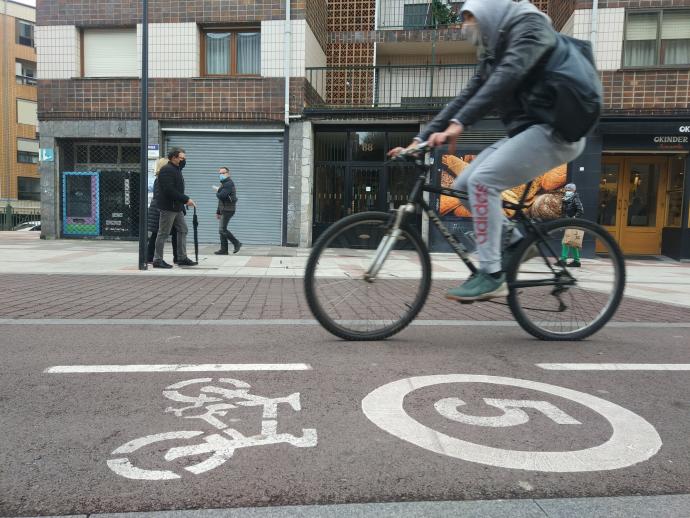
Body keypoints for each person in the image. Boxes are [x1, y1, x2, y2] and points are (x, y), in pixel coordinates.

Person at [389, 0, 586, 301]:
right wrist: (421, 140)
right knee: (465, 182)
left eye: (471, 19)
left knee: (482, 183)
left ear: (490, 15)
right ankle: (516, 241)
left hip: (558, 129)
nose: (466, 27)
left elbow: (506, 78)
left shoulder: (530, 29)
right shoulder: (493, 53)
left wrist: (460, 124)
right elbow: (466, 97)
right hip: (529, 131)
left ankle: (492, 274)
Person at [152, 148, 198, 268]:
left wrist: (182, 202)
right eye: (182, 158)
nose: (184, 160)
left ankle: (181, 257)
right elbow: (169, 190)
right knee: (163, 233)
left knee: (183, 229)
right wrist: (186, 199)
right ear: (174, 158)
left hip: (177, 207)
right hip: (168, 207)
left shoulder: (176, 169)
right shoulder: (166, 170)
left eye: (185, 158)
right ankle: (157, 259)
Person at [146, 157, 179, 264]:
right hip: (160, 209)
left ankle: (150, 257)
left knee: (162, 233)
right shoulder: (161, 179)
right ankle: (151, 257)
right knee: (158, 234)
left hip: (159, 208)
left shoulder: (160, 178)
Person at [214, 167, 242, 255]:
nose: (221, 175)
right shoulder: (224, 183)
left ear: (228, 174)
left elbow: (221, 196)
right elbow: (221, 200)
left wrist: (217, 191)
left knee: (222, 230)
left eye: (223, 173)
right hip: (224, 209)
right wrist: (218, 211)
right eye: (220, 173)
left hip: (228, 209)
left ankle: (236, 243)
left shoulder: (229, 183)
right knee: (222, 229)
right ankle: (224, 250)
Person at [560, 183, 584, 267]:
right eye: (566, 190)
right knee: (572, 242)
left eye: (569, 190)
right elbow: (564, 212)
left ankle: (563, 260)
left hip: (573, 223)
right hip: (567, 222)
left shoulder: (575, 198)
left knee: (566, 242)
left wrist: (574, 217)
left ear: (574, 190)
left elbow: (580, 210)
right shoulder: (565, 199)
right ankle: (576, 261)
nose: (567, 191)